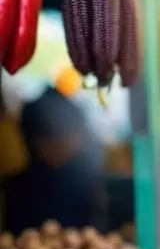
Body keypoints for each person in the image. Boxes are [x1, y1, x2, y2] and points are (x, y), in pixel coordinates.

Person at [2, 87, 103, 235]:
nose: (59, 147)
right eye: (50, 141)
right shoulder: (17, 190)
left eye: (66, 138)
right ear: (32, 142)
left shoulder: (87, 182)